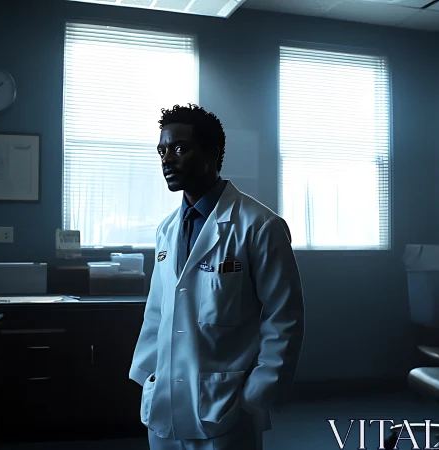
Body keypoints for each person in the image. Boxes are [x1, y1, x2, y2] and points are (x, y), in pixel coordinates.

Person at [128, 103, 306, 450]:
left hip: (227, 406)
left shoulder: (259, 226)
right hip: (163, 405)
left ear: (213, 153)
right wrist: (147, 377)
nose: (167, 160)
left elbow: (284, 317)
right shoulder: (166, 230)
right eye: (162, 151)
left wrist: (258, 392)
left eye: (180, 149)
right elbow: (157, 313)